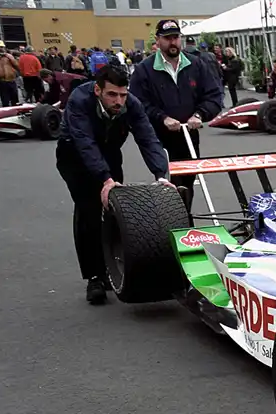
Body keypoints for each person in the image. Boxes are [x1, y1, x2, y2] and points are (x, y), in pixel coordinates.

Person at [55, 64, 176, 305]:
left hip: (109, 151)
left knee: (113, 207)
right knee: (89, 208)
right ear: (98, 90)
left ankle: (113, 265)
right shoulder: (79, 100)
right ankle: (94, 277)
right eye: (112, 94)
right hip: (74, 154)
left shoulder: (132, 103)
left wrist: (161, 174)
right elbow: (84, 143)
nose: (119, 101)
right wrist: (105, 179)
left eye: (123, 94)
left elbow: (147, 138)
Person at [129, 19, 224, 210]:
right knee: (168, 184)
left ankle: (185, 223)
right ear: (158, 41)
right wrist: (162, 117)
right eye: (167, 38)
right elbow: (137, 104)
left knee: (187, 184)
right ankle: (172, 224)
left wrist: (199, 114)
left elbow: (214, 96)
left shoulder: (196, 65)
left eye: (176, 37)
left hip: (188, 135)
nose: (173, 42)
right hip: (158, 137)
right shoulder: (145, 70)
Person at [0, 41, 21, 107]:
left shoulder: (8, 56)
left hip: (11, 79)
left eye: (1, 47)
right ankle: (6, 109)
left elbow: (17, 65)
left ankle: (16, 108)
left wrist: (11, 58)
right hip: (1, 80)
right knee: (5, 97)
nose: (0, 48)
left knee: (14, 96)